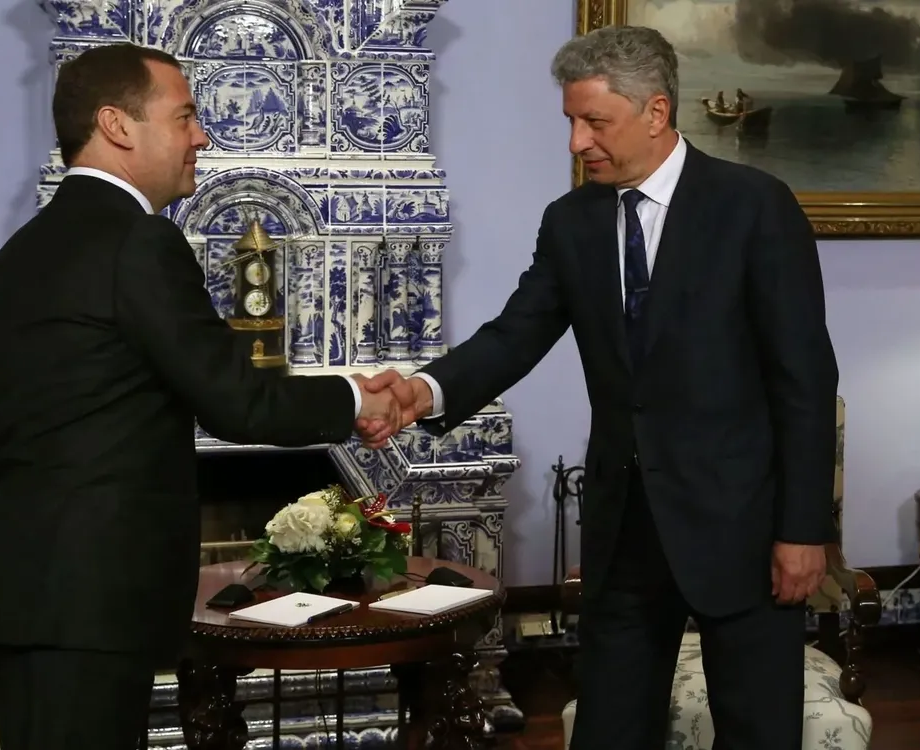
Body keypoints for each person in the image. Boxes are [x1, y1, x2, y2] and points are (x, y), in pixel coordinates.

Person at [358, 24, 838, 750]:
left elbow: (804, 378)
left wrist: (802, 530)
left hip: (740, 526)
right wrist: (421, 392)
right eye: (571, 121)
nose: (577, 142)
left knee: (757, 730)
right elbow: (516, 332)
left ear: (656, 112)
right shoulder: (572, 221)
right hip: (625, 529)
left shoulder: (755, 207)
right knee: (609, 728)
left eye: (594, 122)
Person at [0, 42, 403, 750]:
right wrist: (359, 399)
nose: (202, 136)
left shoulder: (14, 258)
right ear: (117, 125)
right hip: (91, 606)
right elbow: (237, 403)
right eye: (185, 116)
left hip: (26, 598)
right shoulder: (138, 243)